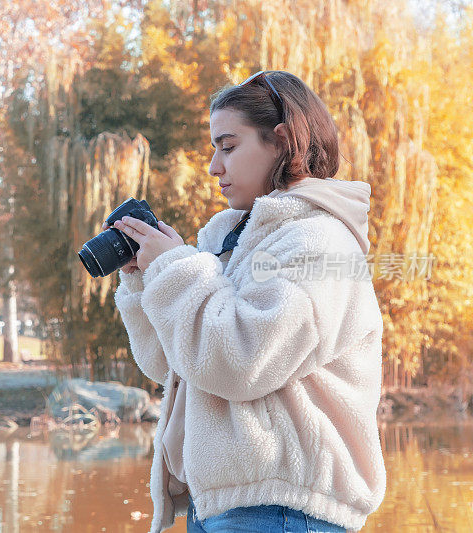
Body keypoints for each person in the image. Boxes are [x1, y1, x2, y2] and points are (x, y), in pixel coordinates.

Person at [108, 70, 386, 532]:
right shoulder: (230, 238)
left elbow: (243, 360)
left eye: (228, 146)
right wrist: (148, 280)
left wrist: (176, 269)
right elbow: (177, 366)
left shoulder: (318, 241)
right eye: (213, 149)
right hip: (219, 502)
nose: (215, 166)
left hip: (284, 507)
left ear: (280, 141)